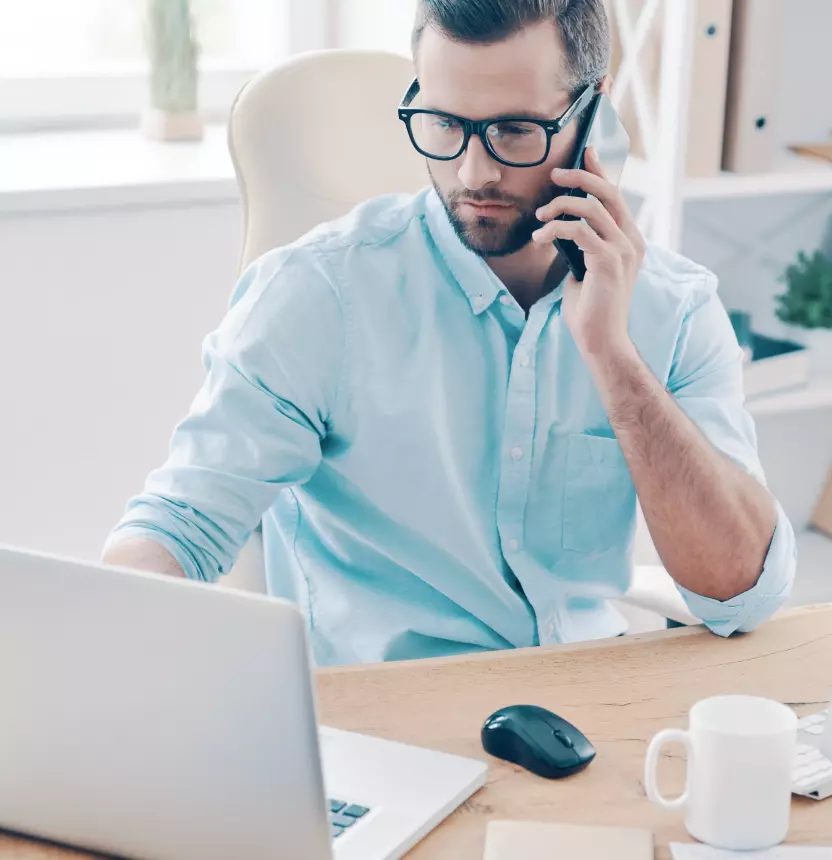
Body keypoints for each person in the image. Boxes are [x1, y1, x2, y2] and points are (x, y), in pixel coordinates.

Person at [104, 0, 796, 666]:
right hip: (386, 727)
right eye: (443, 123)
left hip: (586, 711)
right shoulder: (317, 295)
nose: (474, 172)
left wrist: (611, 355)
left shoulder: (674, 309)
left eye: (515, 130)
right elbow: (178, 527)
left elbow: (741, 593)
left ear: (596, 115)